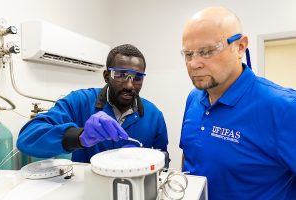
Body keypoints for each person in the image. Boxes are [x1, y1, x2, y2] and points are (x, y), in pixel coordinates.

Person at [179, 6, 296, 200]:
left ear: (240, 47)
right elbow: (190, 155)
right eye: (188, 54)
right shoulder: (194, 98)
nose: (194, 63)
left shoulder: (284, 108)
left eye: (207, 51)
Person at [17, 44, 168, 163]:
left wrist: (144, 160)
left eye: (137, 77)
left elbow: (162, 159)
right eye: (121, 75)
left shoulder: (154, 116)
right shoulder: (79, 102)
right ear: (106, 76)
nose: (129, 85)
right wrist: (79, 136)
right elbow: (27, 139)